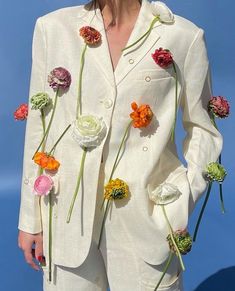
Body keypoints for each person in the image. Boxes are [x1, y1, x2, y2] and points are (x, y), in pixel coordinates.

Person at [17, 0, 223, 290]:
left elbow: (203, 128)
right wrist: (31, 216)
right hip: (65, 219)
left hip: (147, 218)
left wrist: (181, 201)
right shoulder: (53, 29)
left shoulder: (182, 36)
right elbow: (40, 126)